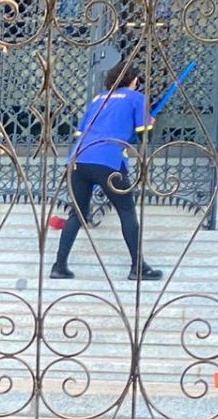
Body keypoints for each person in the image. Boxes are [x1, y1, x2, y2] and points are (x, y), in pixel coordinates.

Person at [50, 61, 162, 281]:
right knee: (127, 211)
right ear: (134, 81)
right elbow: (143, 131)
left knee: (77, 214)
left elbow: (81, 130)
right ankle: (137, 266)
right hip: (109, 160)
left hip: (79, 159)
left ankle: (59, 265)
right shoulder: (136, 98)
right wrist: (151, 121)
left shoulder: (98, 98)